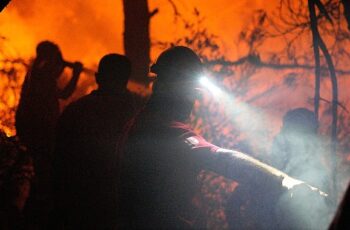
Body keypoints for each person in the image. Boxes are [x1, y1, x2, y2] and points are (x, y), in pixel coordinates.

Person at [117, 46, 328, 229]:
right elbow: (222, 157)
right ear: (164, 87)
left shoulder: (141, 124)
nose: (193, 101)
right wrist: (285, 182)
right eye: (188, 91)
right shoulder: (167, 132)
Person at [52, 54, 138, 229]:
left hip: (78, 204)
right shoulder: (139, 116)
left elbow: (58, 160)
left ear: (98, 78)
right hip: (119, 206)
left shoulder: (76, 111)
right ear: (126, 80)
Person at [15, 40, 83, 229]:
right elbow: (65, 94)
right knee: (44, 174)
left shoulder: (37, 72)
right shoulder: (42, 74)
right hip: (41, 133)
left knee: (39, 172)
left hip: (33, 131)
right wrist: (76, 73)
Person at [269, 108, 330, 192]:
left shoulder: (317, 179)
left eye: (286, 131)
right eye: (282, 129)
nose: (278, 137)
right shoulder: (267, 175)